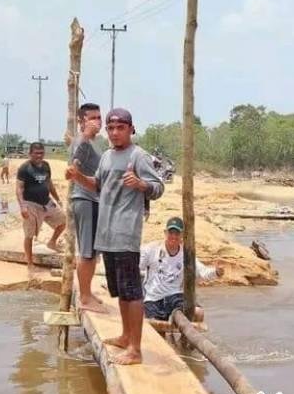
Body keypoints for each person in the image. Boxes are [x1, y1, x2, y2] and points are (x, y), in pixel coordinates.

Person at [66, 108, 163, 365]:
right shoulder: (107, 156)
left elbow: (158, 188)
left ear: (131, 129)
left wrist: (141, 185)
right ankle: (125, 336)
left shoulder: (139, 156)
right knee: (120, 291)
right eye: (111, 128)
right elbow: (98, 185)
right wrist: (78, 178)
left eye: (121, 128)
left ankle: (135, 349)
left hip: (125, 232)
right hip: (106, 233)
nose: (115, 132)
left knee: (132, 292)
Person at [141, 217, 224, 322]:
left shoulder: (186, 255)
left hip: (175, 296)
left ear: (182, 235)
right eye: (171, 233)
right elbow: (137, 266)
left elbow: (202, 272)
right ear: (165, 233)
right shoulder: (152, 249)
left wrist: (217, 272)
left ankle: (185, 338)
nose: (174, 236)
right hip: (154, 298)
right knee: (154, 325)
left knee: (198, 312)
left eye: (177, 233)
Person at [69, 102, 106, 313]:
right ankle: (84, 297)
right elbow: (74, 166)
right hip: (85, 199)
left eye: (99, 117)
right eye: (93, 118)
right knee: (86, 252)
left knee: (92, 251)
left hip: (94, 200)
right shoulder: (81, 141)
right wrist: (84, 135)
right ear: (82, 120)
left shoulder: (94, 143)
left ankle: (87, 291)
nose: (98, 121)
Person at [16, 142, 66, 277]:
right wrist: (22, 206)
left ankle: (52, 242)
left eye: (41, 153)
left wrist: (58, 199)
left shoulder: (46, 165)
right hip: (30, 204)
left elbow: (49, 183)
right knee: (29, 235)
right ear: (30, 154)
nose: (39, 156)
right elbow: (19, 188)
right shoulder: (24, 168)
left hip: (46, 202)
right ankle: (30, 264)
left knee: (63, 221)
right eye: (36, 153)